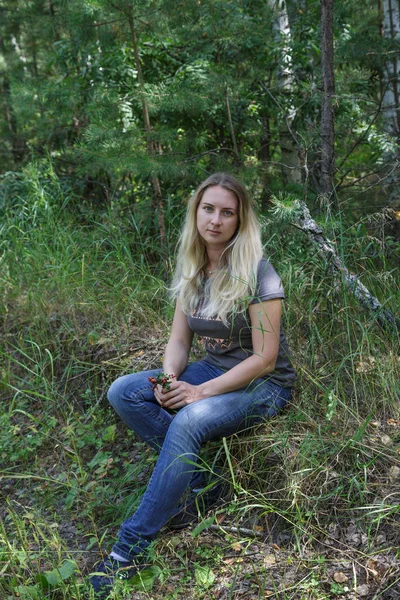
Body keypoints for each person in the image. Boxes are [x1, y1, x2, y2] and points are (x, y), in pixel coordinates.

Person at [90, 173, 296, 598]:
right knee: (124, 391)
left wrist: (198, 393)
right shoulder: (193, 267)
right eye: (208, 209)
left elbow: (265, 358)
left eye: (227, 212)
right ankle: (206, 484)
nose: (216, 220)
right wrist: (169, 380)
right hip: (214, 368)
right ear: (196, 212)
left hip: (264, 385)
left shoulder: (259, 273)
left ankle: (127, 551)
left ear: (240, 220)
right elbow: (179, 340)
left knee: (189, 421)